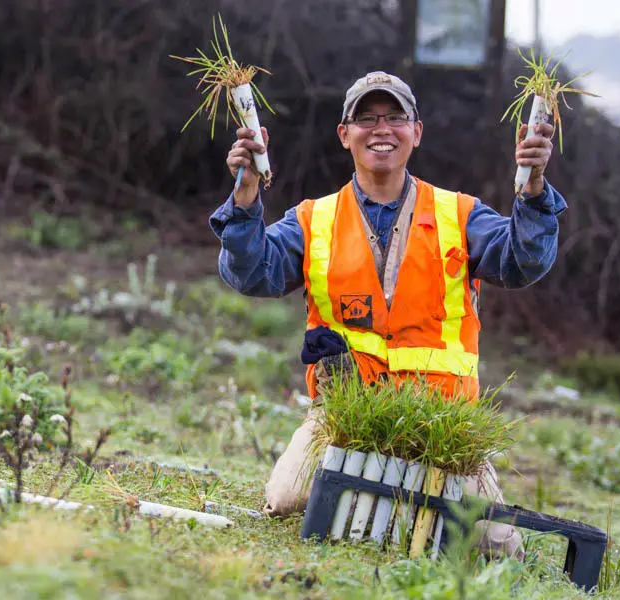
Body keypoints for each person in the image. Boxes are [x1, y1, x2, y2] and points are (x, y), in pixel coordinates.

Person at [209, 71, 566, 560]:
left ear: (416, 132)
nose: (382, 129)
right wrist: (246, 196)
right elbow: (251, 274)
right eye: (367, 118)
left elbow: (523, 261)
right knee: (289, 497)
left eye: (396, 117)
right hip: (344, 418)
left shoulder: (459, 214)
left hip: (444, 425)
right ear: (344, 134)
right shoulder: (315, 220)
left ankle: (418, 511)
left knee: (495, 547)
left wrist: (534, 190)